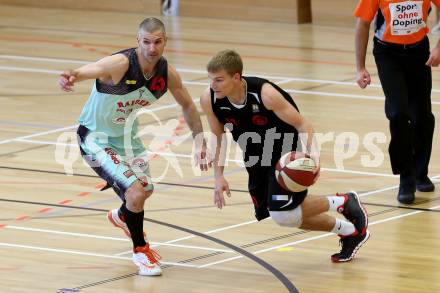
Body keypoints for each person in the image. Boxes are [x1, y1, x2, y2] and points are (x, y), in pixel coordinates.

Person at [59, 17, 209, 276]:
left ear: (165, 42)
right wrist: (74, 75)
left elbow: (187, 105)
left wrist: (199, 139)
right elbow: (95, 67)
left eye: (158, 42)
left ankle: (121, 216)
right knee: (136, 192)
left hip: (127, 138)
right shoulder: (121, 65)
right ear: (137, 41)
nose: (152, 48)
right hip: (96, 138)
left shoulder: (167, 74)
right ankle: (141, 251)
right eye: (146, 42)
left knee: (145, 190)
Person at [200, 50, 369, 263]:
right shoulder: (210, 99)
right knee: (283, 216)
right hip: (255, 156)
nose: (213, 85)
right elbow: (218, 137)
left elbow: (302, 124)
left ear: (236, 77)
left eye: (219, 80)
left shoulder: (265, 94)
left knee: (282, 213)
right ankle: (347, 226)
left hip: (285, 152)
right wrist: (218, 176)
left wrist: (314, 158)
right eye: (211, 80)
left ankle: (343, 205)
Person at [354, 1, 438, 204]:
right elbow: (362, 24)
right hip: (388, 55)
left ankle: (420, 172)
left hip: (419, 52)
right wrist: (360, 68)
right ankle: (406, 178)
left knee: (422, 116)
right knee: (398, 114)